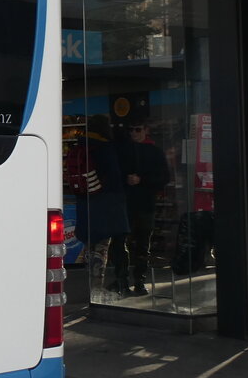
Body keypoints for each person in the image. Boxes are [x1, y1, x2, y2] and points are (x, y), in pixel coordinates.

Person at [65, 114, 129, 296]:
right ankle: (96, 288)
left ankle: (90, 285)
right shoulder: (105, 149)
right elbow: (114, 179)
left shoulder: (80, 145)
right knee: (101, 249)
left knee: (90, 247)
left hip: (85, 204)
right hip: (104, 206)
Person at [112, 119, 170, 295]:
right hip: (128, 204)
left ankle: (138, 281)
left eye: (137, 129)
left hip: (143, 204)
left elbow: (164, 178)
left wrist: (141, 180)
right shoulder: (122, 151)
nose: (134, 133)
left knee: (141, 244)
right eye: (131, 129)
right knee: (123, 242)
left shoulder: (154, 152)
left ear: (145, 130)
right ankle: (124, 281)